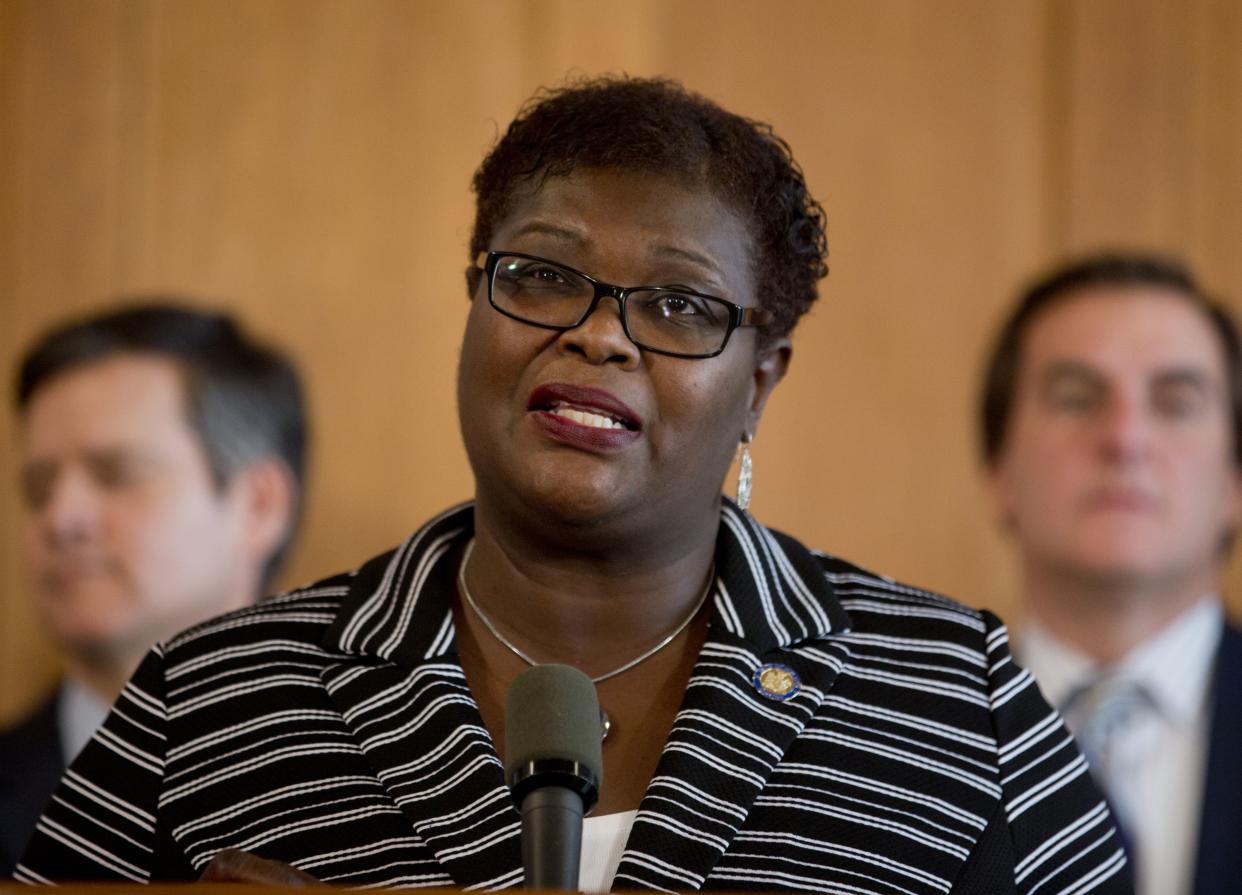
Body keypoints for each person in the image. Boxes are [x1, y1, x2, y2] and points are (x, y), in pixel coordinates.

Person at [16, 77, 1128, 893]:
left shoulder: (950, 697)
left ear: (761, 382)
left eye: (680, 305)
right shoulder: (213, 698)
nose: (599, 335)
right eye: (542, 276)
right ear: (473, 305)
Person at [0, 303, 308, 877]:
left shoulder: (384, 788)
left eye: (116, 474)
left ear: (258, 507)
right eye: (39, 489)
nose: (60, 518)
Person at [980, 253, 1242, 895]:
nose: (1125, 438)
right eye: (1076, 398)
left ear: (1235, 481)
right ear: (1000, 474)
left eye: (1176, 403)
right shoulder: (905, 749)